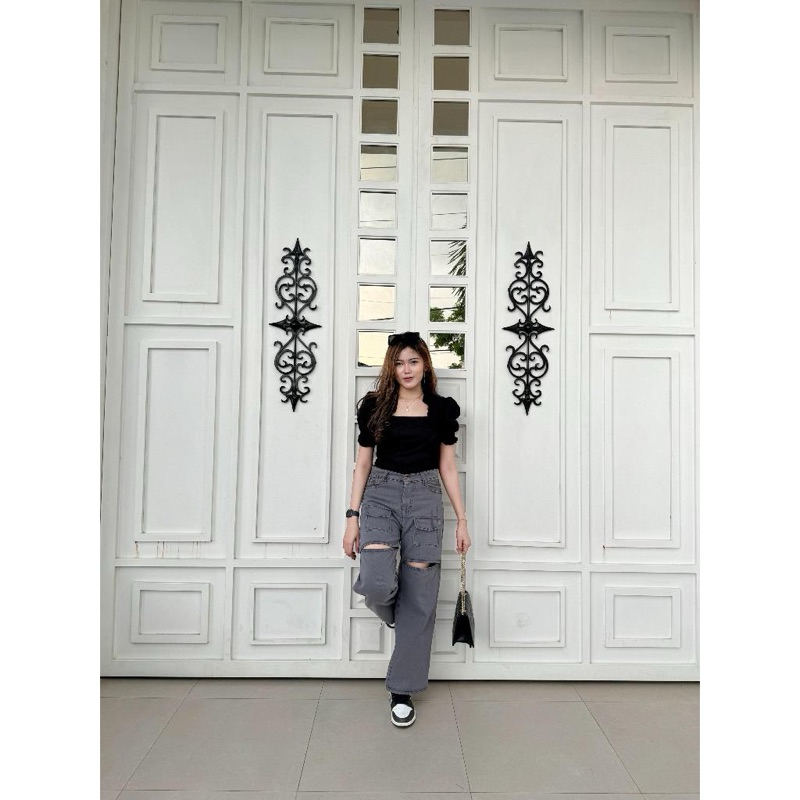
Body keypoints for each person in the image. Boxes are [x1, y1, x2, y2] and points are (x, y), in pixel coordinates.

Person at [343, 331, 471, 728]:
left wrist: (462, 519)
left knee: (421, 596)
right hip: (380, 493)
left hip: (425, 497)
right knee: (377, 582)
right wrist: (351, 516)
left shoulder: (442, 409)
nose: (406, 369)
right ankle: (400, 613)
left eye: (413, 361)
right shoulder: (375, 406)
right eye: (399, 363)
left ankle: (402, 689)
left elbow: (447, 466)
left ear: (425, 364)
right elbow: (363, 464)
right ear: (391, 367)